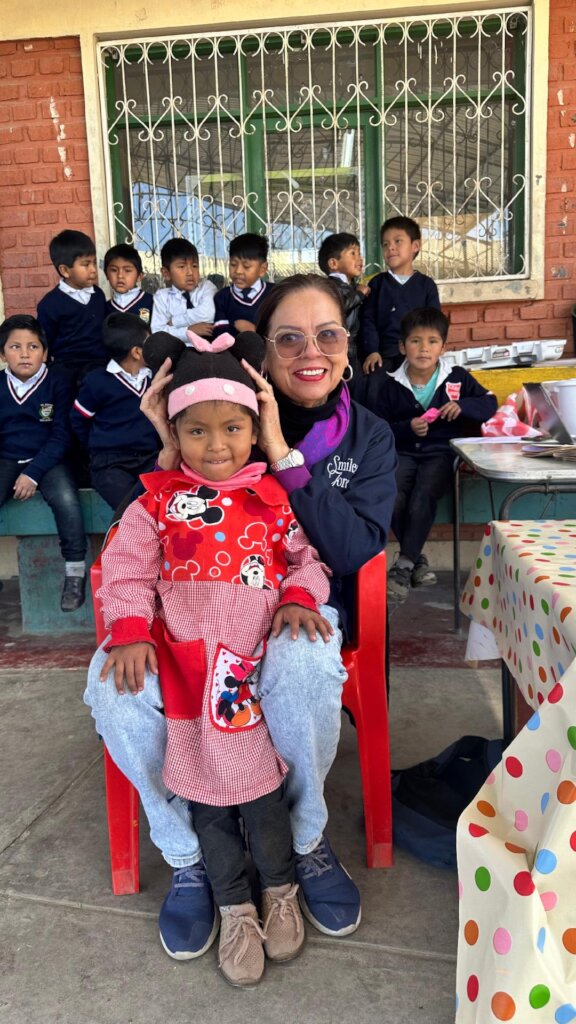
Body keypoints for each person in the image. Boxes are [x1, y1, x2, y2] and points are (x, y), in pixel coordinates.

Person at [84, 273, 397, 961]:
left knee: (307, 668)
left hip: (293, 617)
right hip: (183, 629)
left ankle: (305, 844)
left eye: (327, 334)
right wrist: (165, 444)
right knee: (114, 687)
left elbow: (335, 551)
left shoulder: (365, 435)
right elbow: (145, 538)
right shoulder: (212, 429)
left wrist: (282, 461)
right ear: (265, 358)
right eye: (289, 337)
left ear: (349, 342)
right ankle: (191, 858)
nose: (308, 351)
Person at [96, 328, 333, 985]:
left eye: (232, 427)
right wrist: (132, 631)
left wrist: (298, 599)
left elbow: (308, 561)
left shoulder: (272, 500)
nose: (217, 445)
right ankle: (233, 906)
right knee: (207, 802)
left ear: (255, 429)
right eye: (196, 432)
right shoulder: (158, 501)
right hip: (188, 676)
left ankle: (281, 889)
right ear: (174, 435)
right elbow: (123, 571)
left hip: (248, 674)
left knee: (261, 800)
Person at [374, 307, 497, 602]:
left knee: (424, 493)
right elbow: (380, 428)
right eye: (415, 341)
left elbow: (489, 402)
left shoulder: (455, 377)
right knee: (391, 493)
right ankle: (416, 560)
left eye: (432, 341)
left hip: (442, 453)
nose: (423, 349)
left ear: (443, 346)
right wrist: (406, 428)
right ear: (403, 346)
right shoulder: (390, 384)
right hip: (403, 452)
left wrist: (464, 407)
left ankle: (403, 565)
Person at [0, 314, 87, 611]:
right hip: (7, 458)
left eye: (33, 346)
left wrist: (33, 473)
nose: (24, 354)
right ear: (2, 354)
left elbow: (62, 436)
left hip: (49, 459)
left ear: (45, 353)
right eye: (15, 347)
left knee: (65, 498)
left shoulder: (57, 383)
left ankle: (75, 573)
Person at [70, 314, 159, 510]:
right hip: (109, 464)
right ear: (136, 352)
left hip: (150, 458)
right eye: (149, 342)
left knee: (162, 503)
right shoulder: (97, 381)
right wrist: (95, 447)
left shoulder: (155, 378)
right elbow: (78, 420)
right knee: (132, 510)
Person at [359, 216, 440, 409]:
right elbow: (368, 320)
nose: (390, 248)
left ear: (415, 246)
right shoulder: (377, 284)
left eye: (398, 241)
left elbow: (434, 323)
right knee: (375, 395)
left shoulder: (426, 285)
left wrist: (428, 351)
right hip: (384, 356)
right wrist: (372, 351)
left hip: (417, 354)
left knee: (421, 399)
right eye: (385, 244)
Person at [36, 229, 108, 389]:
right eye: (86, 264)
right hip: (66, 367)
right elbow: (44, 342)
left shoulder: (98, 295)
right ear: (65, 270)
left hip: (99, 365)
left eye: (94, 262)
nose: (94, 270)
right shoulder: (50, 304)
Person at [317, 232, 369, 380]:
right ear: (333, 263)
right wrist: (358, 295)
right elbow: (337, 307)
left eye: (359, 253)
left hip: (355, 348)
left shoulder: (352, 286)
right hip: (341, 348)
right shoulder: (329, 286)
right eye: (352, 254)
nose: (359, 259)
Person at [151, 239, 216, 341]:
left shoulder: (207, 287)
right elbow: (157, 332)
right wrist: (188, 332)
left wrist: (175, 322)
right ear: (166, 273)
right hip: (175, 352)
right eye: (182, 266)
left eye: (194, 266)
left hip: (208, 351)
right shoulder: (162, 297)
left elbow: (208, 313)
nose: (190, 272)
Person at [213, 233, 274, 339]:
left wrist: (253, 331)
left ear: (262, 269)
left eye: (246, 266)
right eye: (233, 264)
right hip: (231, 354)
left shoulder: (274, 294)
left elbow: (282, 330)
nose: (238, 271)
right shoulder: (222, 297)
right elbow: (219, 333)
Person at [104, 243, 154, 324]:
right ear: (106, 274)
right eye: (114, 270)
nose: (120, 276)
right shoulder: (104, 308)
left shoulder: (152, 302)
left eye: (127, 270)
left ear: (139, 276)